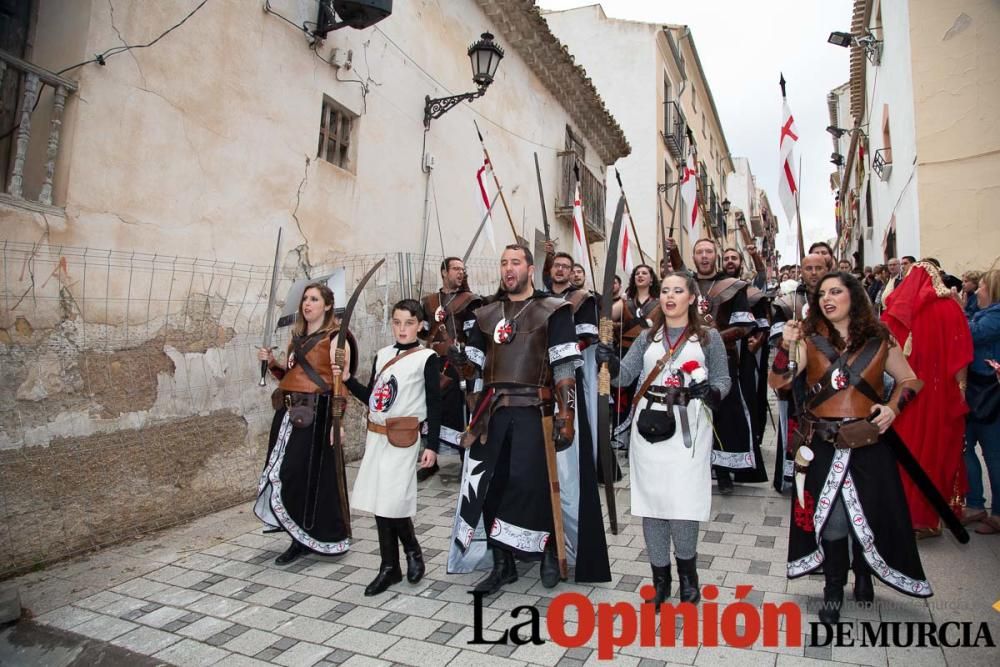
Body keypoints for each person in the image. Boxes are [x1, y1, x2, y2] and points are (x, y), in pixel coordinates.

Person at [447, 244, 610, 594]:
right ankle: (503, 564)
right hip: (491, 411)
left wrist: (566, 416)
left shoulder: (554, 309)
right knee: (490, 487)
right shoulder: (487, 313)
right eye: (504, 263)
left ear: (531, 269)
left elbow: (564, 367)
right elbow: (472, 369)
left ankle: (549, 549)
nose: (508, 269)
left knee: (533, 484)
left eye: (515, 262)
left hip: (533, 410)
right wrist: (456, 357)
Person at [771, 271, 930, 623]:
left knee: (870, 514)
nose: (828, 298)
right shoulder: (808, 339)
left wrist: (891, 408)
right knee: (832, 517)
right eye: (823, 293)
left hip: (867, 442)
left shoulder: (879, 337)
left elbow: (910, 380)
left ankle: (863, 573)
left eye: (836, 291)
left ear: (853, 296)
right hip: (822, 442)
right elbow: (780, 383)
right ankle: (832, 585)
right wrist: (786, 347)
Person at [598, 272, 730, 606]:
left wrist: (711, 392)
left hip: (689, 428)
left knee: (683, 504)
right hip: (649, 427)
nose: (670, 296)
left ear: (691, 297)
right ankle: (660, 580)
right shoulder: (647, 337)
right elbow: (625, 376)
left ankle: (689, 577)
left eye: (678, 290)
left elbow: (723, 379)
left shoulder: (709, 337)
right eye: (665, 290)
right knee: (653, 505)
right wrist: (608, 361)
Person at [337, 299, 441, 595]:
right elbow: (375, 397)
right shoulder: (383, 355)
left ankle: (401, 557)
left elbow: (435, 404)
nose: (402, 329)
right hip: (377, 436)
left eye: (409, 323)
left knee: (392, 500)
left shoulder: (427, 358)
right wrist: (348, 381)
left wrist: (431, 446)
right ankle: (396, 562)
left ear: (420, 325)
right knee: (383, 502)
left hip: (405, 437)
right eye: (397, 322)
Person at [255, 283, 355, 564]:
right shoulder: (296, 338)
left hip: (317, 415)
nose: (307, 304)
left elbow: (339, 382)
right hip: (288, 414)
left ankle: (311, 535)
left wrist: (339, 421)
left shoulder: (336, 337)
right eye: (305, 299)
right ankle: (297, 536)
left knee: (298, 476)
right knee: (287, 476)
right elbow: (290, 376)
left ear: (327, 306)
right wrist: (272, 363)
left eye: (314, 299)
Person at [882, 262, 973, 538]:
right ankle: (930, 517)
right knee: (937, 450)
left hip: (910, 393)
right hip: (942, 393)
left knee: (909, 450)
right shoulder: (951, 308)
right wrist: (961, 389)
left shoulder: (903, 311)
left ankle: (907, 514)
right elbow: (962, 354)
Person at [690, 238, 762, 493]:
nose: (705, 256)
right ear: (694, 256)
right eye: (700, 252)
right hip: (688, 358)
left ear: (716, 256)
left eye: (709, 251)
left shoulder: (733, 287)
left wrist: (714, 338)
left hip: (722, 358)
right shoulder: (685, 285)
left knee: (722, 414)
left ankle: (722, 472)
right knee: (689, 414)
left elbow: (744, 326)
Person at [768, 253, 829, 494]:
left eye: (818, 268)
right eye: (808, 268)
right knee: (797, 424)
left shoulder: (840, 295)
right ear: (800, 272)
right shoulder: (789, 301)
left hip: (832, 375)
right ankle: (794, 476)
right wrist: (789, 337)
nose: (813, 272)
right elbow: (776, 336)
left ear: (827, 268)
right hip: (799, 375)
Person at [418, 257, 481, 482]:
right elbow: (423, 333)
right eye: (455, 269)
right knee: (432, 411)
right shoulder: (428, 302)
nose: (460, 273)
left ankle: (466, 460)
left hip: (459, 365)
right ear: (444, 272)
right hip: (434, 362)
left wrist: (463, 353)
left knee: (460, 412)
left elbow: (475, 335)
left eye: (463, 269)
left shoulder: (471, 301)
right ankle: (430, 458)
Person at [962, 269, 1000, 534]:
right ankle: (975, 503)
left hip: (990, 394)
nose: (978, 292)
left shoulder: (995, 316)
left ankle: (998, 513)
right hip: (976, 391)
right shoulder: (984, 314)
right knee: (965, 448)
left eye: (983, 287)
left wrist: (956, 311)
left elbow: (969, 334)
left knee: (994, 455)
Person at [611, 264, 662, 452]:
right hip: (625, 351)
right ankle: (621, 436)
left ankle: (644, 433)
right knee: (623, 395)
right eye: (637, 273)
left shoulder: (659, 303)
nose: (640, 276)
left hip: (650, 352)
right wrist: (616, 329)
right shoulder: (625, 302)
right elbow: (605, 318)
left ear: (651, 279)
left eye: (645, 273)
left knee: (645, 396)